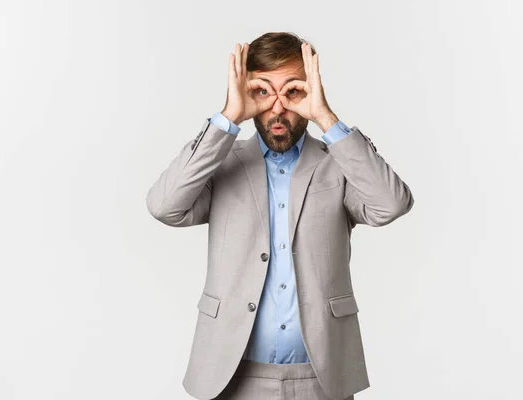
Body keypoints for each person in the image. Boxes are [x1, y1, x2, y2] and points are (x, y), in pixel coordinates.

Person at [146, 31, 414, 400]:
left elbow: (392, 204)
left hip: (322, 376)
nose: (276, 108)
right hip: (231, 375)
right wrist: (228, 116)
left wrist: (325, 117)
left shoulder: (338, 164)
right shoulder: (221, 162)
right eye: (262, 91)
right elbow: (164, 206)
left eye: (293, 91)